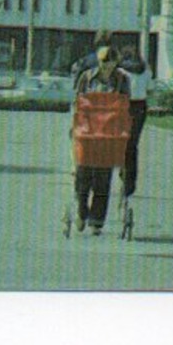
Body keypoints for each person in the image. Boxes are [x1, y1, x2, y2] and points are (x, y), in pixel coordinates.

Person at [73, 45, 130, 235]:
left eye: (111, 62)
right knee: (83, 174)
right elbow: (77, 101)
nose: (107, 66)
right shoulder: (87, 77)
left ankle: (97, 221)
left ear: (116, 62)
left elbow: (125, 105)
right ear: (99, 60)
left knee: (103, 177)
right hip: (88, 131)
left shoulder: (122, 80)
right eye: (104, 61)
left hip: (109, 133)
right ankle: (82, 211)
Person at [118, 44, 150, 198]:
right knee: (132, 144)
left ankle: (122, 168)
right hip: (141, 106)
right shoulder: (145, 69)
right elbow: (150, 87)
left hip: (124, 105)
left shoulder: (121, 70)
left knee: (120, 140)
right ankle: (130, 181)